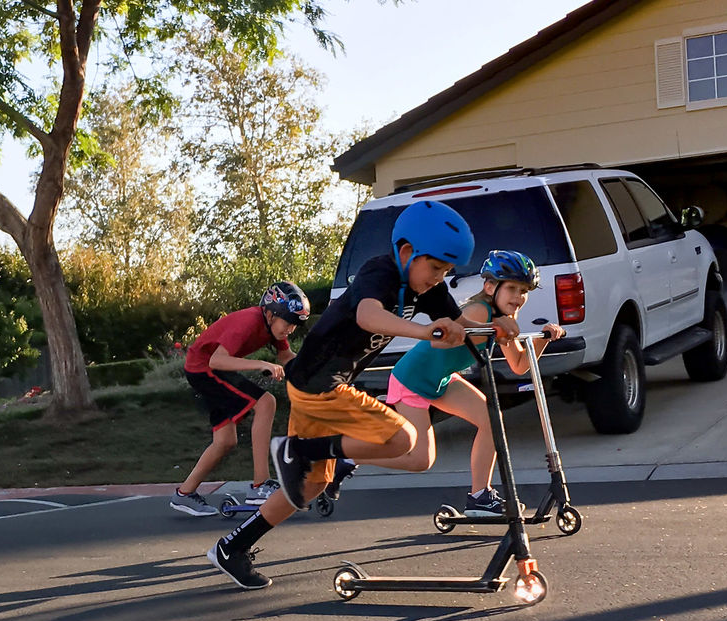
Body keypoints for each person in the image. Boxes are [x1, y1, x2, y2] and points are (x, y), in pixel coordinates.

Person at [205, 200, 504, 589]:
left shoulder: (427, 287)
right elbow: (368, 316)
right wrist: (425, 333)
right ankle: (303, 451)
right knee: (402, 437)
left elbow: (461, 321)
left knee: (309, 485)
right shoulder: (378, 272)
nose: (439, 278)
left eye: (447, 271)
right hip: (320, 384)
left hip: (313, 384)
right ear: (407, 252)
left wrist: (499, 327)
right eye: (435, 268)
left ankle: (233, 546)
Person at [371, 250, 565, 516]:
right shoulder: (479, 310)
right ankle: (348, 458)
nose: (519, 297)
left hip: (441, 378)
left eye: (524, 290)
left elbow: (519, 365)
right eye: (512, 288)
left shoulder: (504, 318)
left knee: (491, 421)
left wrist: (543, 338)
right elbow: (452, 336)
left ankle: (480, 497)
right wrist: (496, 327)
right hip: (413, 379)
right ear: (489, 286)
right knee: (420, 459)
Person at [171, 281, 309, 517]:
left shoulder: (273, 327)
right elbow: (216, 361)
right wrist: (261, 364)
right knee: (266, 402)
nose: (290, 329)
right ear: (269, 312)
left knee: (225, 441)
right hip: (204, 369)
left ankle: (184, 494)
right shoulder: (248, 322)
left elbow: (286, 356)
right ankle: (259, 485)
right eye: (287, 322)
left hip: (209, 369)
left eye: (295, 325)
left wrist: (316, 370)